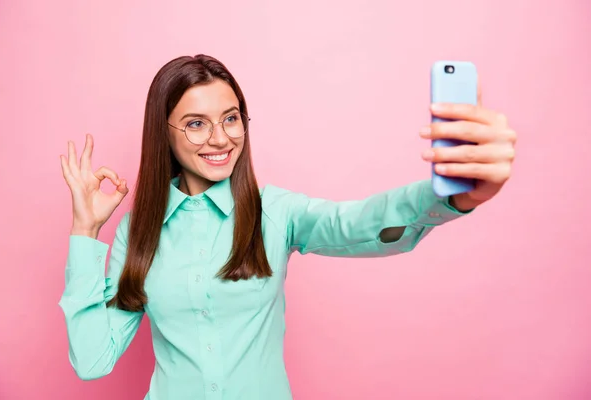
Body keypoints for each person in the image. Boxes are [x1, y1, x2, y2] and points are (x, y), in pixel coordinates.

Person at [58, 54, 516, 399]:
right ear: (164, 132)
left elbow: (355, 222)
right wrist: (84, 232)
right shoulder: (137, 233)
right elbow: (93, 360)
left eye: (231, 118)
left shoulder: (274, 212)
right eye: (196, 124)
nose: (221, 139)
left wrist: (451, 196)